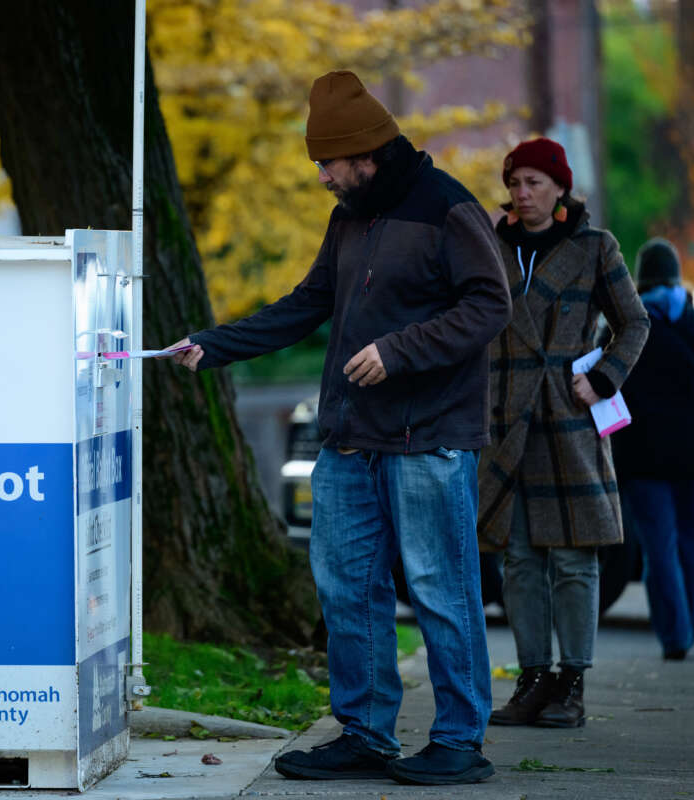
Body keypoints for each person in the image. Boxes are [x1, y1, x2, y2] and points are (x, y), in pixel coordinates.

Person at [170, 70, 511, 785]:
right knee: (346, 590)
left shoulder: (449, 208)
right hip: (350, 442)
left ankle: (459, 740)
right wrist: (215, 344)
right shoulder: (350, 215)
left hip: (429, 441)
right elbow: (308, 303)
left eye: (327, 163)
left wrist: (398, 351)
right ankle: (364, 732)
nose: (321, 176)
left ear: (365, 153)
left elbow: (490, 306)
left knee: (441, 590)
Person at [478, 137, 648, 729]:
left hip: (568, 420)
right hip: (504, 424)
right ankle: (532, 679)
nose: (522, 194)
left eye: (534, 183)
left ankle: (572, 682)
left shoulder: (594, 247)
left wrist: (603, 378)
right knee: (518, 560)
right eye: (515, 183)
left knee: (574, 560)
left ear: (559, 189)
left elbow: (635, 322)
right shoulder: (490, 247)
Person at [611, 238, 694, 661]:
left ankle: (675, 636)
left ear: (640, 279)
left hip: (641, 459)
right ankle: (688, 628)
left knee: (659, 547)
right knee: (690, 543)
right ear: (676, 276)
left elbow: (604, 388)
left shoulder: (623, 328)